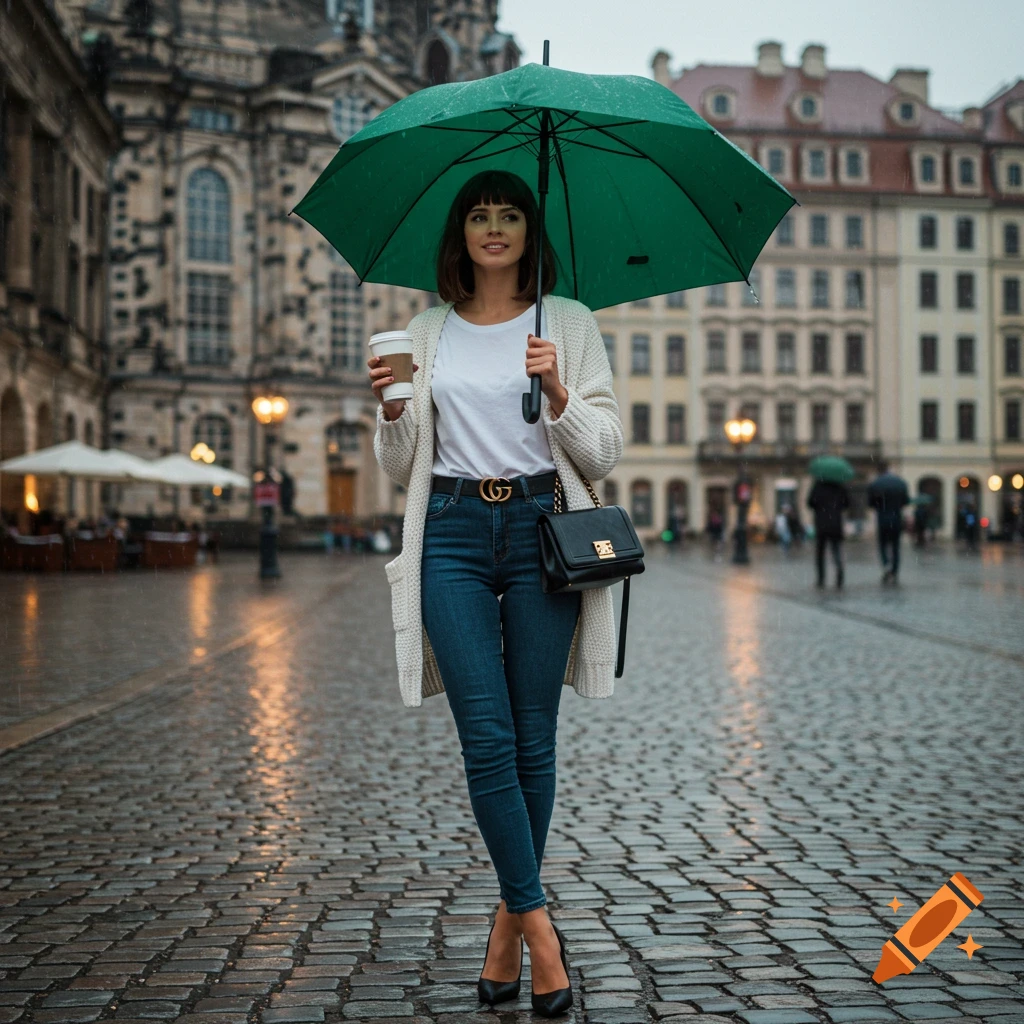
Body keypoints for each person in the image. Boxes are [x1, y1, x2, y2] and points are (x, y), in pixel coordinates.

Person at [369, 170, 623, 1017]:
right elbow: (401, 465)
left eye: (510, 214)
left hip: (542, 532)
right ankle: (540, 931)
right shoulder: (426, 330)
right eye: (479, 215)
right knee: (486, 737)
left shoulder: (568, 323)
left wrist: (558, 394)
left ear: (527, 231)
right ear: (461, 232)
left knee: (531, 740)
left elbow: (604, 450)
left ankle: (507, 931)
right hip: (450, 532)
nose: (494, 227)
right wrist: (392, 412)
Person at [867, 471, 910, 584]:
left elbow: (870, 503)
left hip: (882, 520)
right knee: (895, 546)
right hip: (896, 520)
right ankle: (895, 569)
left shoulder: (876, 485)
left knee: (882, 544)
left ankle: (886, 564)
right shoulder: (900, 485)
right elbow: (906, 501)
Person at [807, 478, 850, 588]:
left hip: (821, 524)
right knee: (836, 550)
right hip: (835, 524)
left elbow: (810, 503)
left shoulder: (817, 487)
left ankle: (821, 578)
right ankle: (839, 572)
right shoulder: (839, 486)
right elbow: (846, 504)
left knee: (820, 553)